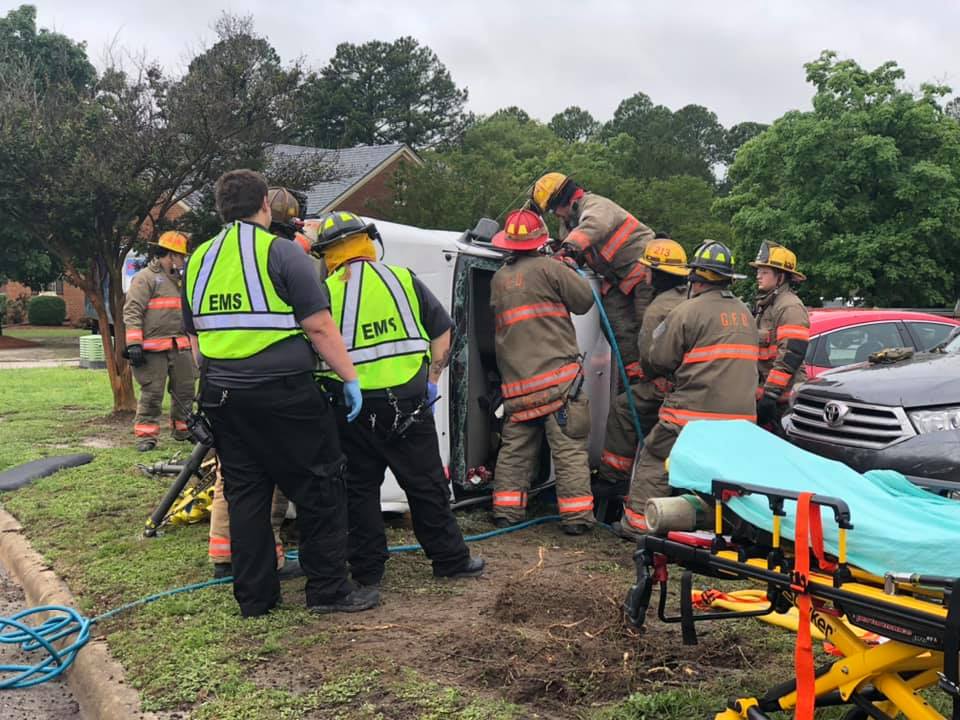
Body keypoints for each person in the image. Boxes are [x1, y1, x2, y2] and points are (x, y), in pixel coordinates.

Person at [183, 169, 373, 618]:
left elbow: (194, 341)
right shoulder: (283, 254)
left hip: (222, 395)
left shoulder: (199, 259)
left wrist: (216, 382)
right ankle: (328, 590)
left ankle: (255, 598)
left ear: (220, 209)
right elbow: (319, 325)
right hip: (284, 396)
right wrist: (349, 378)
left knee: (247, 495)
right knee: (320, 485)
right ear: (265, 204)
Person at [312, 210, 484, 587]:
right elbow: (442, 332)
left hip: (351, 409)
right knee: (425, 486)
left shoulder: (323, 293)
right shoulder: (403, 280)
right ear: (368, 241)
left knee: (358, 491)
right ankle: (450, 560)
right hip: (407, 403)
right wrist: (433, 379)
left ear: (327, 254)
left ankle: (368, 571)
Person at [617, 241, 760, 540]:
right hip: (741, 420)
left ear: (695, 278)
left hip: (691, 414)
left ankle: (639, 525)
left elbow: (659, 359)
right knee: (720, 477)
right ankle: (720, 528)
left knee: (655, 457)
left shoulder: (687, 312)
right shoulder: (745, 314)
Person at [488, 209, 596, 534]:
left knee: (515, 451)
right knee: (569, 449)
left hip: (518, 387)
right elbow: (584, 301)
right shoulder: (551, 269)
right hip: (558, 385)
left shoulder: (499, 278)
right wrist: (566, 269)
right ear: (541, 240)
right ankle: (577, 519)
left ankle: (506, 513)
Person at [529, 173, 655, 381]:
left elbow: (593, 226)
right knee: (617, 327)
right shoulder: (569, 224)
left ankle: (658, 380)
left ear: (563, 199)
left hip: (645, 272)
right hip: (617, 281)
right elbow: (576, 253)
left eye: (553, 209)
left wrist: (568, 249)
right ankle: (635, 379)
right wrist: (560, 252)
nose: (555, 215)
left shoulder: (595, 205)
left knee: (647, 327)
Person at [597, 238, 689, 502]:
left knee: (623, 407)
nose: (644, 274)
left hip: (668, 387)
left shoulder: (657, 309)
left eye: (648, 269)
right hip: (692, 385)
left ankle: (613, 478)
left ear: (657, 275)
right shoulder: (691, 298)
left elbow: (651, 358)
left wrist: (645, 375)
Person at [123, 231, 195, 452]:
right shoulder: (145, 278)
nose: (183, 261)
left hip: (180, 346)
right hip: (153, 349)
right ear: (171, 255)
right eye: (181, 256)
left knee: (185, 390)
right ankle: (146, 436)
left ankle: (183, 430)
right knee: (152, 393)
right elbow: (133, 309)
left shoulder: (182, 280)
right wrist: (134, 343)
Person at [751, 241, 809, 433]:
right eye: (758, 270)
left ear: (781, 276)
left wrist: (770, 394)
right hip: (769, 398)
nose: (758, 275)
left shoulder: (789, 307)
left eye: (765, 271)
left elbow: (791, 354)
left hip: (782, 403)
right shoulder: (767, 306)